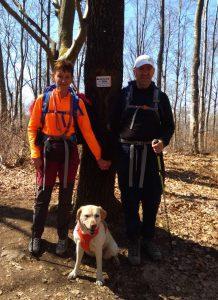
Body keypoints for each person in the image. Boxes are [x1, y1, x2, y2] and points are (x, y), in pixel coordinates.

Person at [28, 60, 111, 256]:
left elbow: (88, 132)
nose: (63, 80)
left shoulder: (77, 102)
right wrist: (35, 153)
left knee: (66, 198)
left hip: (68, 153)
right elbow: (32, 128)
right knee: (42, 197)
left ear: (72, 78)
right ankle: (36, 236)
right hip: (47, 153)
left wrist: (99, 157)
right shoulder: (43, 99)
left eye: (67, 77)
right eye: (60, 76)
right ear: (53, 76)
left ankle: (62, 238)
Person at [110, 54, 175, 265]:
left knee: (152, 198)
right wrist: (113, 153)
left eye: (149, 69)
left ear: (153, 72)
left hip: (152, 156)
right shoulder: (124, 95)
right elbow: (112, 124)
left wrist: (163, 142)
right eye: (141, 69)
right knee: (130, 199)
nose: (145, 73)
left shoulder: (160, 97)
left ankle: (148, 239)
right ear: (135, 71)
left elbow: (169, 126)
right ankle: (133, 241)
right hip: (127, 155)